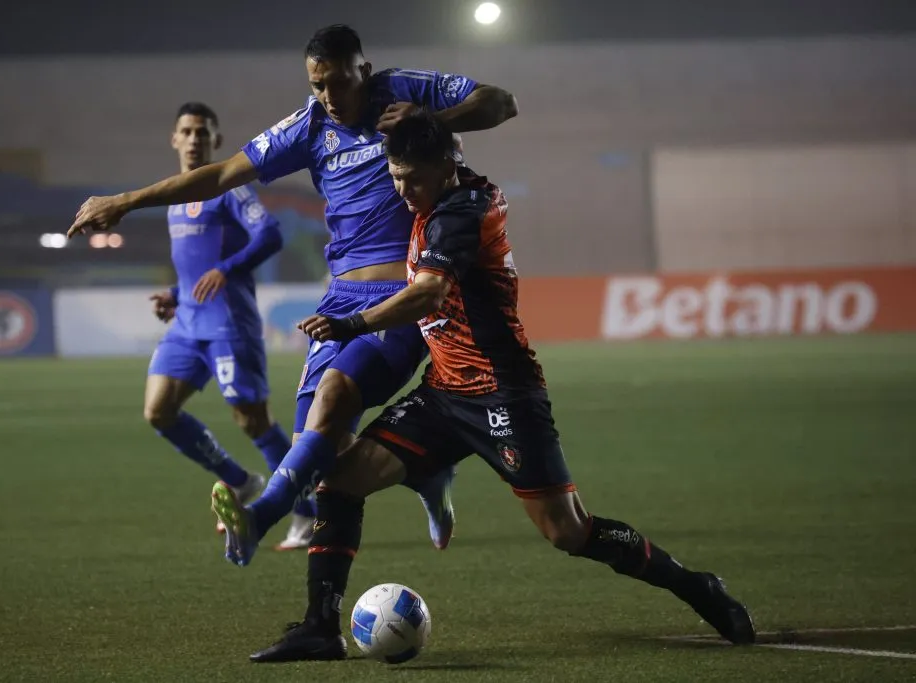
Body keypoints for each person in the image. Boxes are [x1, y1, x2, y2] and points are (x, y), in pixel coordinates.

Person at [246, 111, 756, 662]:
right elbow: (448, 143)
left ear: (445, 167)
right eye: (395, 177)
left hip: (502, 394)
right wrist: (416, 116)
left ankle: (696, 585)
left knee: (568, 532)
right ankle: (321, 626)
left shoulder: (461, 213)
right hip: (443, 391)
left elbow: (429, 294)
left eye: (411, 178)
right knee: (339, 481)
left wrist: (353, 325)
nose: (402, 190)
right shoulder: (439, 185)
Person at [67, 25, 519, 562]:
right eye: (317, 86)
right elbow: (221, 176)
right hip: (339, 299)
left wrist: (428, 123)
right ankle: (424, 467)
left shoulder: (402, 91)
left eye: (337, 83)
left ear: (364, 71)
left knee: (330, 404)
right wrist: (126, 199)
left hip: (401, 295)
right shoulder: (307, 127)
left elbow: (500, 102)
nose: (328, 97)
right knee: (319, 449)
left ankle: (259, 519)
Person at [144, 102, 312, 550]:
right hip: (187, 324)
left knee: (253, 422)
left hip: (228, 323)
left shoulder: (230, 189)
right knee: (158, 411)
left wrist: (227, 268)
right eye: (187, 130)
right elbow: (192, 270)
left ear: (216, 141)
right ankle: (238, 481)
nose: (195, 138)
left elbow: (271, 233)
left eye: (203, 132)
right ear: (174, 139)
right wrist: (175, 297)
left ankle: (306, 512)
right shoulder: (174, 197)